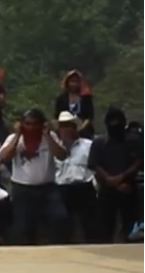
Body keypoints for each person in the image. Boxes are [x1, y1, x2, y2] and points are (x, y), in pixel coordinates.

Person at [0, 109, 70, 245]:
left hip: (48, 188)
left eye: (35, 124)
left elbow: (62, 155)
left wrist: (47, 135)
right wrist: (17, 135)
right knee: (23, 226)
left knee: (60, 217)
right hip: (22, 188)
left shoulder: (50, 137)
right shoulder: (14, 138)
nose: (31, 127)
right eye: (27, 124)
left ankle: (58, 247)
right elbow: (4, 156)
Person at [88, 108, 143, 243]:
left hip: (128, 188)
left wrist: (122, 177)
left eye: (118, 122)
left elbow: (139, 162)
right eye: (112, 122)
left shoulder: (133, 141)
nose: (115, 125)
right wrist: (110, 180)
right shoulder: (99, 142)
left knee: (132, 230)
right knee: (104, 229)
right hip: (106, 189)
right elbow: (94, 164)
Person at [54, 111, 99, 243]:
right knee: (62, 224)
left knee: (89, 224)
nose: (65, 130)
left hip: (83, 187)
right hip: (62, 188)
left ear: (74, 128)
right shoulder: (54, 147)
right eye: (62, 126)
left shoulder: (88, 145)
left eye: (68, 126)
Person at [54, 70, 94, 139]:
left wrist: (80, 129)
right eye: (72, 81)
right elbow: (58, 116)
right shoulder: (61, 99)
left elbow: (89, 117)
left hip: (84, 131)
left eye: (77, 82)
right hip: (66, 131)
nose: (74, 84)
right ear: (67, 83)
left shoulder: (86, 98)